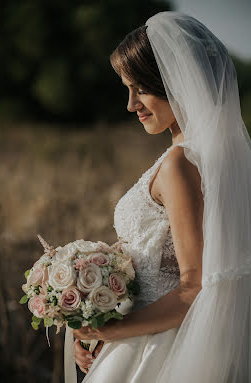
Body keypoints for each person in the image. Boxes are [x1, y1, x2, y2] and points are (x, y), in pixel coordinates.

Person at [67, 11, 251, 383]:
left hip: (155, 346)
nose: (131, 104)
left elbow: (192, 285)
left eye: (141, 89)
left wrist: (107, 331)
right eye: (127, 89)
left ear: (176, 84)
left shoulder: (180, 164)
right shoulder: (210, 159)